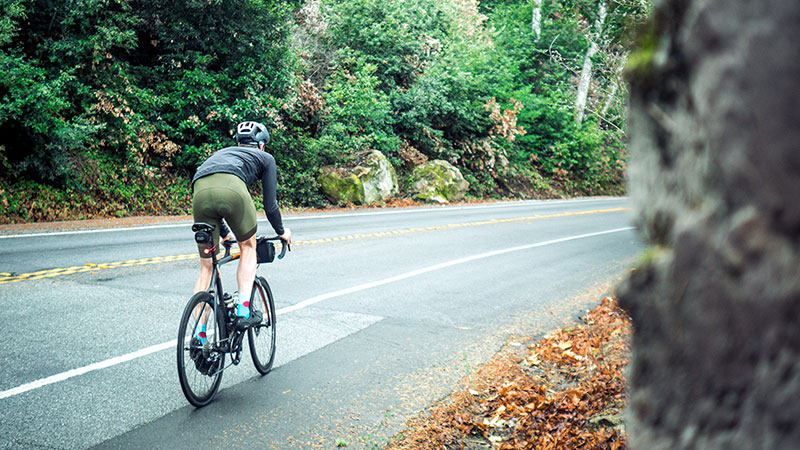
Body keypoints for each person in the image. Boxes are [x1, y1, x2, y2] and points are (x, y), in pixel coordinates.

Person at [191, 121, 292, 334]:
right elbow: (270, 205)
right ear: (262, 145)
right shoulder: (266, 158)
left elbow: (215, 199)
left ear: (238, 143)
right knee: (248, 246)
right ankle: (243, 310)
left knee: (206, 267)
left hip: (199, 189)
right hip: (233, 189)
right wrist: (282, 231)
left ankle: (199, 336)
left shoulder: (221, 153)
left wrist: (225, 234)